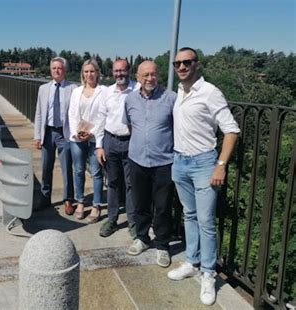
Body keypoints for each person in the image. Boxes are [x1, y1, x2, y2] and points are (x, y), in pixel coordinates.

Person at [167, 47, 239, 306]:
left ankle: (208, 273)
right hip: (180, 161)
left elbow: (231, 130)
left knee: (206, 220)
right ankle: (192, 262)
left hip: (204, 162)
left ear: (197, 64)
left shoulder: (210, 92)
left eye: (187, 62)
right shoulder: (180, 92)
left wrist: (221, 164)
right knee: (190, 215)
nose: (181, 67)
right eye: (177, 63)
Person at [124, 61, 176, 268]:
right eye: (145, 75)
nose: (149, 78)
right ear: (137, 77)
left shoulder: (171, 98)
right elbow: (129, 125)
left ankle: (163, 245)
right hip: (137, 160)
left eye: (153, 74)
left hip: (164, 161)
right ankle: (143, 238)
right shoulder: (130, 100)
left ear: (158, 76)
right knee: (140, 203)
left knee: (163, 206)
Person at [95, 59, 140, 237]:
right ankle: (112, 220)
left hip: (131, 141)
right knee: (112, 183)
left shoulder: (137, 89)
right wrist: (99, 146)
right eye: (116, 71)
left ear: (128, 71)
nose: (119, 74)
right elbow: (100, 119)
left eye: (122, 70)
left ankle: (132, 221)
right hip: (110, 141)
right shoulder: (107, 92)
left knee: (131, 184)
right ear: (112, 72)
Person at [34, 57, 77, 215]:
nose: (56, 71)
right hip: (47, 132)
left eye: (59, 68)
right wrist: (37, 135)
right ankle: (45, 197)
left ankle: (68, 200)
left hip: (64, 133)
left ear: (64, 70)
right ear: (50, 70)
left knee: (66, 167)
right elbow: (39, 113)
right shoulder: (43, 89)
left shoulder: (73, 88)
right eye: (54, 68)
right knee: (46, 167)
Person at [68, 59, 107, 222]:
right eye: (86, 71)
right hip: (78, 137)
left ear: (97, 73)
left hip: (95, 138)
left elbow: (104, 115)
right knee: (78, 170)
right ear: (82, 74)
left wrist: (92, 133)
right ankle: (80, 202)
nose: (89, 74)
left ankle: (97, 205)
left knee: (97, 173)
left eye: (92, 71)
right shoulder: (76, 91)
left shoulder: (103, 91)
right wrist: (76, 132)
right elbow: (71, 113)